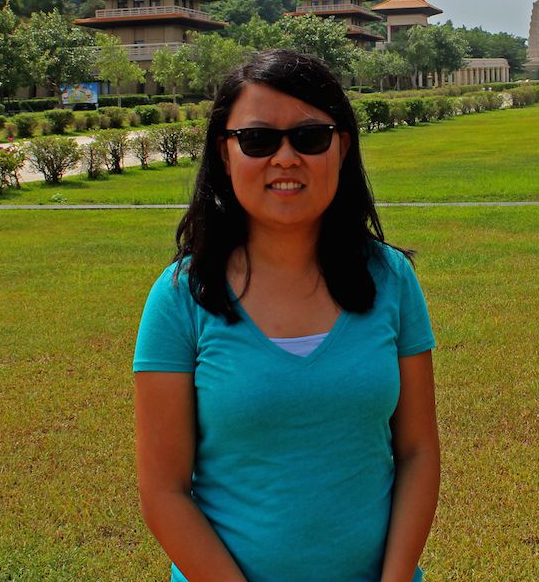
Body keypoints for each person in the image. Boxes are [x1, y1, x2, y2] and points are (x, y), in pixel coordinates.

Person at [134, 49, 439, 582]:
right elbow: (164, 491)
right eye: (257, 140)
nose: (285, 158)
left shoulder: (389, 280)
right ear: (224, 155)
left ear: (341, 147)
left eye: (310, 137)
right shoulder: (183, 297)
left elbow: (416, 451)